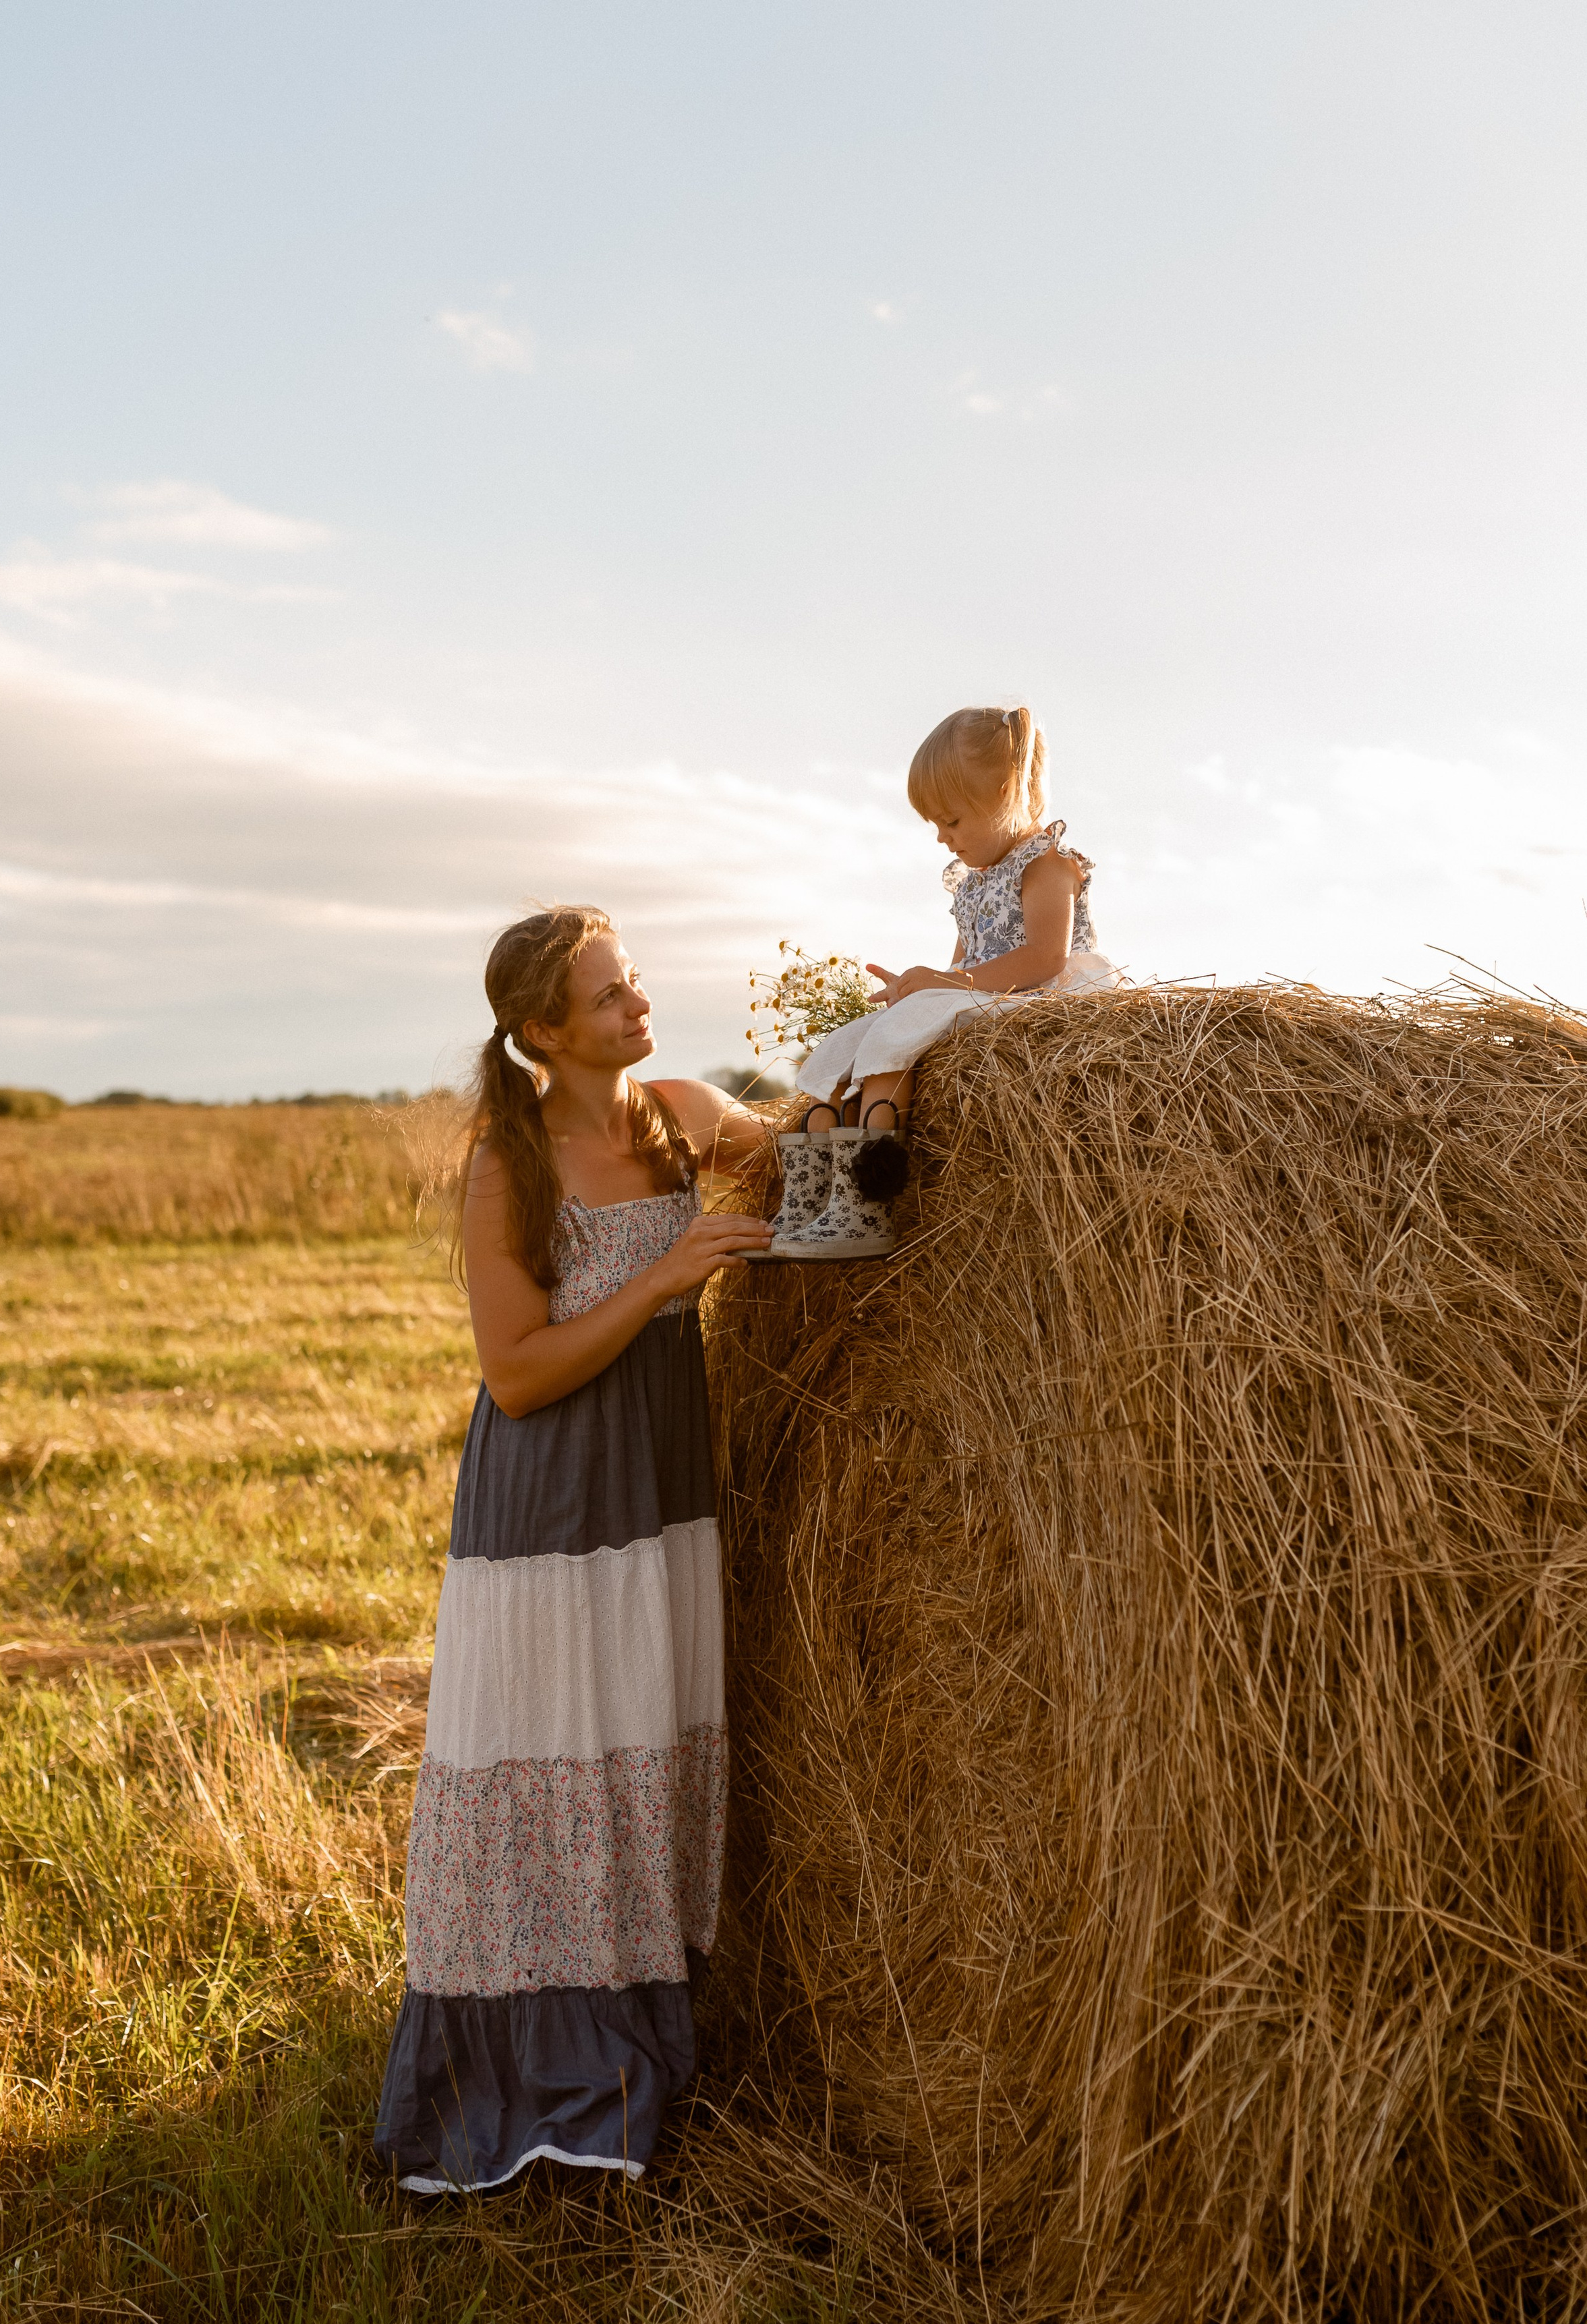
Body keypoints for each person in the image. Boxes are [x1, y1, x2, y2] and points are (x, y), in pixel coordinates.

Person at [374, 905, 773, 2193]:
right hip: (550, 1505)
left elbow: (825, 1159)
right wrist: (663, 1280)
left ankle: (651, 2022)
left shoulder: (685, 1115)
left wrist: (911, 1037)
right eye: (609, 996)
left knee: (646, 1741)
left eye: (634, 982)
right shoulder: (512, 1163)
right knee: (556, 1754)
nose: (638, 1005)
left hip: (664, 1487)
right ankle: (540, 2060)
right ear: (543, 1031)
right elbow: (518, 1373)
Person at [758, 705, 1122, 1259]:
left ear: (1005, 793)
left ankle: (866, 1205)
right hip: (985, 994)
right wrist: (918, 987)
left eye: (951, 821)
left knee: (900, 1030)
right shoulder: (973, 881)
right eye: (935, 824)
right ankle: (814, 1197)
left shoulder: (1047, 863)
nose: (941, 838)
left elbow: (1046, 958)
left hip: (1040, 999)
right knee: (849, 1041)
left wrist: (938, 988)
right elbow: (961, 967)